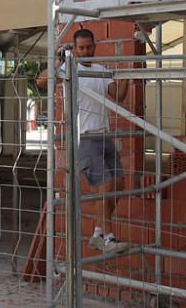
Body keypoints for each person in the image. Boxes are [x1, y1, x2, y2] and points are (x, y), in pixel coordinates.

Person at [38, 28, 130, 254]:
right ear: (75, 49)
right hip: (84, 137)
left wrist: (129, 76)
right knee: (105, 186)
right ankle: (109, 239)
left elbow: (118, 95)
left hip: (104, 134)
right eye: (82, 48)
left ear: (94, 46)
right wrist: (58, 61)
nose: (86, 51)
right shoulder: (69, 69)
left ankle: (98, 232)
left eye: (89, 46)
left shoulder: (101, 70)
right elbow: (40, 81)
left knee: (118, 185)